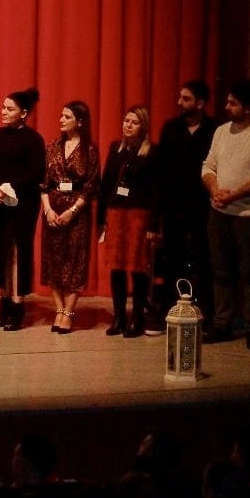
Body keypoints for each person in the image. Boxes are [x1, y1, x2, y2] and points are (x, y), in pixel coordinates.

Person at [201, 79, 250, 349]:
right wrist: (215, 191)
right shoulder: (222, 131)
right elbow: (208, 165)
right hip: (219, 211)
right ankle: (222, 324)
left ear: (248, 108)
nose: (227, 107)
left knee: (249, 273)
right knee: (221, 270)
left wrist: (233, 195)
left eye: (233, 103)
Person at [151, 79, 220, 332]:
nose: (179, 102)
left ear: (200, 103)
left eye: (186, 98)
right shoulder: (171, 128)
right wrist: (157, 215)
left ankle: (205, 313)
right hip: (174, 206)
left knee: (204, 259)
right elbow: (160, 173)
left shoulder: (215, 130)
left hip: (203, 206)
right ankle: (169, 310)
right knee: (172, 260)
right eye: (180, 97)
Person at [0, 88, 45, 331]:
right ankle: (4, 300)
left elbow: (36, 172)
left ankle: (18, 304)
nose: (4, 112)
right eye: (3, 107)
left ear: (23, 113)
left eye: (10, 109)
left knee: (17, 251)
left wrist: (9, 188)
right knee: (1, 252)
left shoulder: (33, 139)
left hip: (22, 203)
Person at [41, 100, 100, 334]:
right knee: (53, 261)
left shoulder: (90, 150)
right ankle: (59, 308)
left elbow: (91, 186)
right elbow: (44, 184)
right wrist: (48, 210)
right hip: (53, 211)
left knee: (75, 262)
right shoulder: (52, 147)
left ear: (80, 121)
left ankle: (69, 312)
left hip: (77, 214)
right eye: (61, 115)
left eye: (67, 117)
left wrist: (72, 211)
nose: (61, 120)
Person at [99, 106, 157, 337]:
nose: (128, 125)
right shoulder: (116, 148)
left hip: (138, 214)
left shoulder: (152, 151)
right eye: (126, 121)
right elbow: (106, 183)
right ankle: (119, 316)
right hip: (116, 212)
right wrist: (101, 218)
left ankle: (138, 317)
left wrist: (154, 225)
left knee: (137, 266)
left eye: (134, 122)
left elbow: (156, 191)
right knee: (117, 266)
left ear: (143, 126)